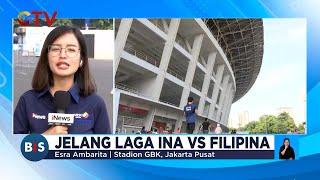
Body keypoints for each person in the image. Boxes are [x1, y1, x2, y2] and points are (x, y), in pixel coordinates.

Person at [14, 26, 111, 134]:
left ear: (81, 60)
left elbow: (107, 149)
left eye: (71, 50)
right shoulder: (27, 101)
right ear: (46, 57)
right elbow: (9, 147)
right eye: (56, 49)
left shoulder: (95, 103)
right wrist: (43, 139)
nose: (63, 55)